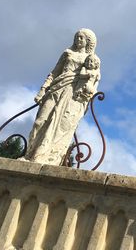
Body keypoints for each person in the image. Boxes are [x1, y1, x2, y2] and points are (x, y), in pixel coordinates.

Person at [21, 28, 101, 165]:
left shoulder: (92, 60)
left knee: (62, 125)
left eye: (81, 38)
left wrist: (87, 93)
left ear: (88, 42)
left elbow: (94, 80)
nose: (78, 40)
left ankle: (48, 158)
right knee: (40, 121)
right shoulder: (67, 53)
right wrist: (42, 90)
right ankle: (29, 154)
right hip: (56, 89)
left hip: (73, 96)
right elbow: (54, 73)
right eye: (77, 37)